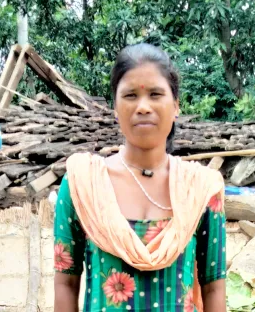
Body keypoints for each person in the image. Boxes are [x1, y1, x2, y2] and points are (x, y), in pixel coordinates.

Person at [53, 43, 227, 312]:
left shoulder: (201, 189)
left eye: (156, 94)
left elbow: (213, 286)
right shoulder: (84, 186)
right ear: (115, 106)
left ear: (176, 105)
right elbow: (66, 284)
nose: (143, 107)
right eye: (131, 95)